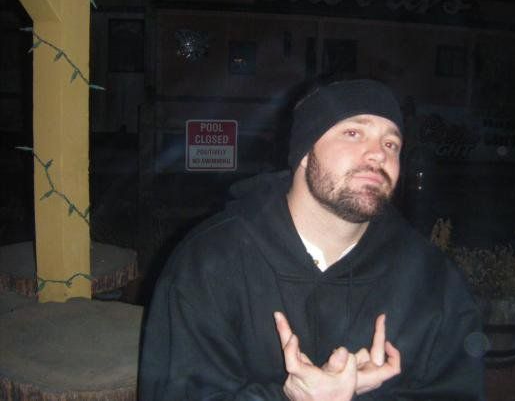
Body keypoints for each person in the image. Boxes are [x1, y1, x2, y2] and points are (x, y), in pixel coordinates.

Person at [139, 79, 486, 400]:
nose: (379, 154)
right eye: (353, 133)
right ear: (305, 152)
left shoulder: (431, 281)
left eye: (391, 143)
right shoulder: (210, 264)